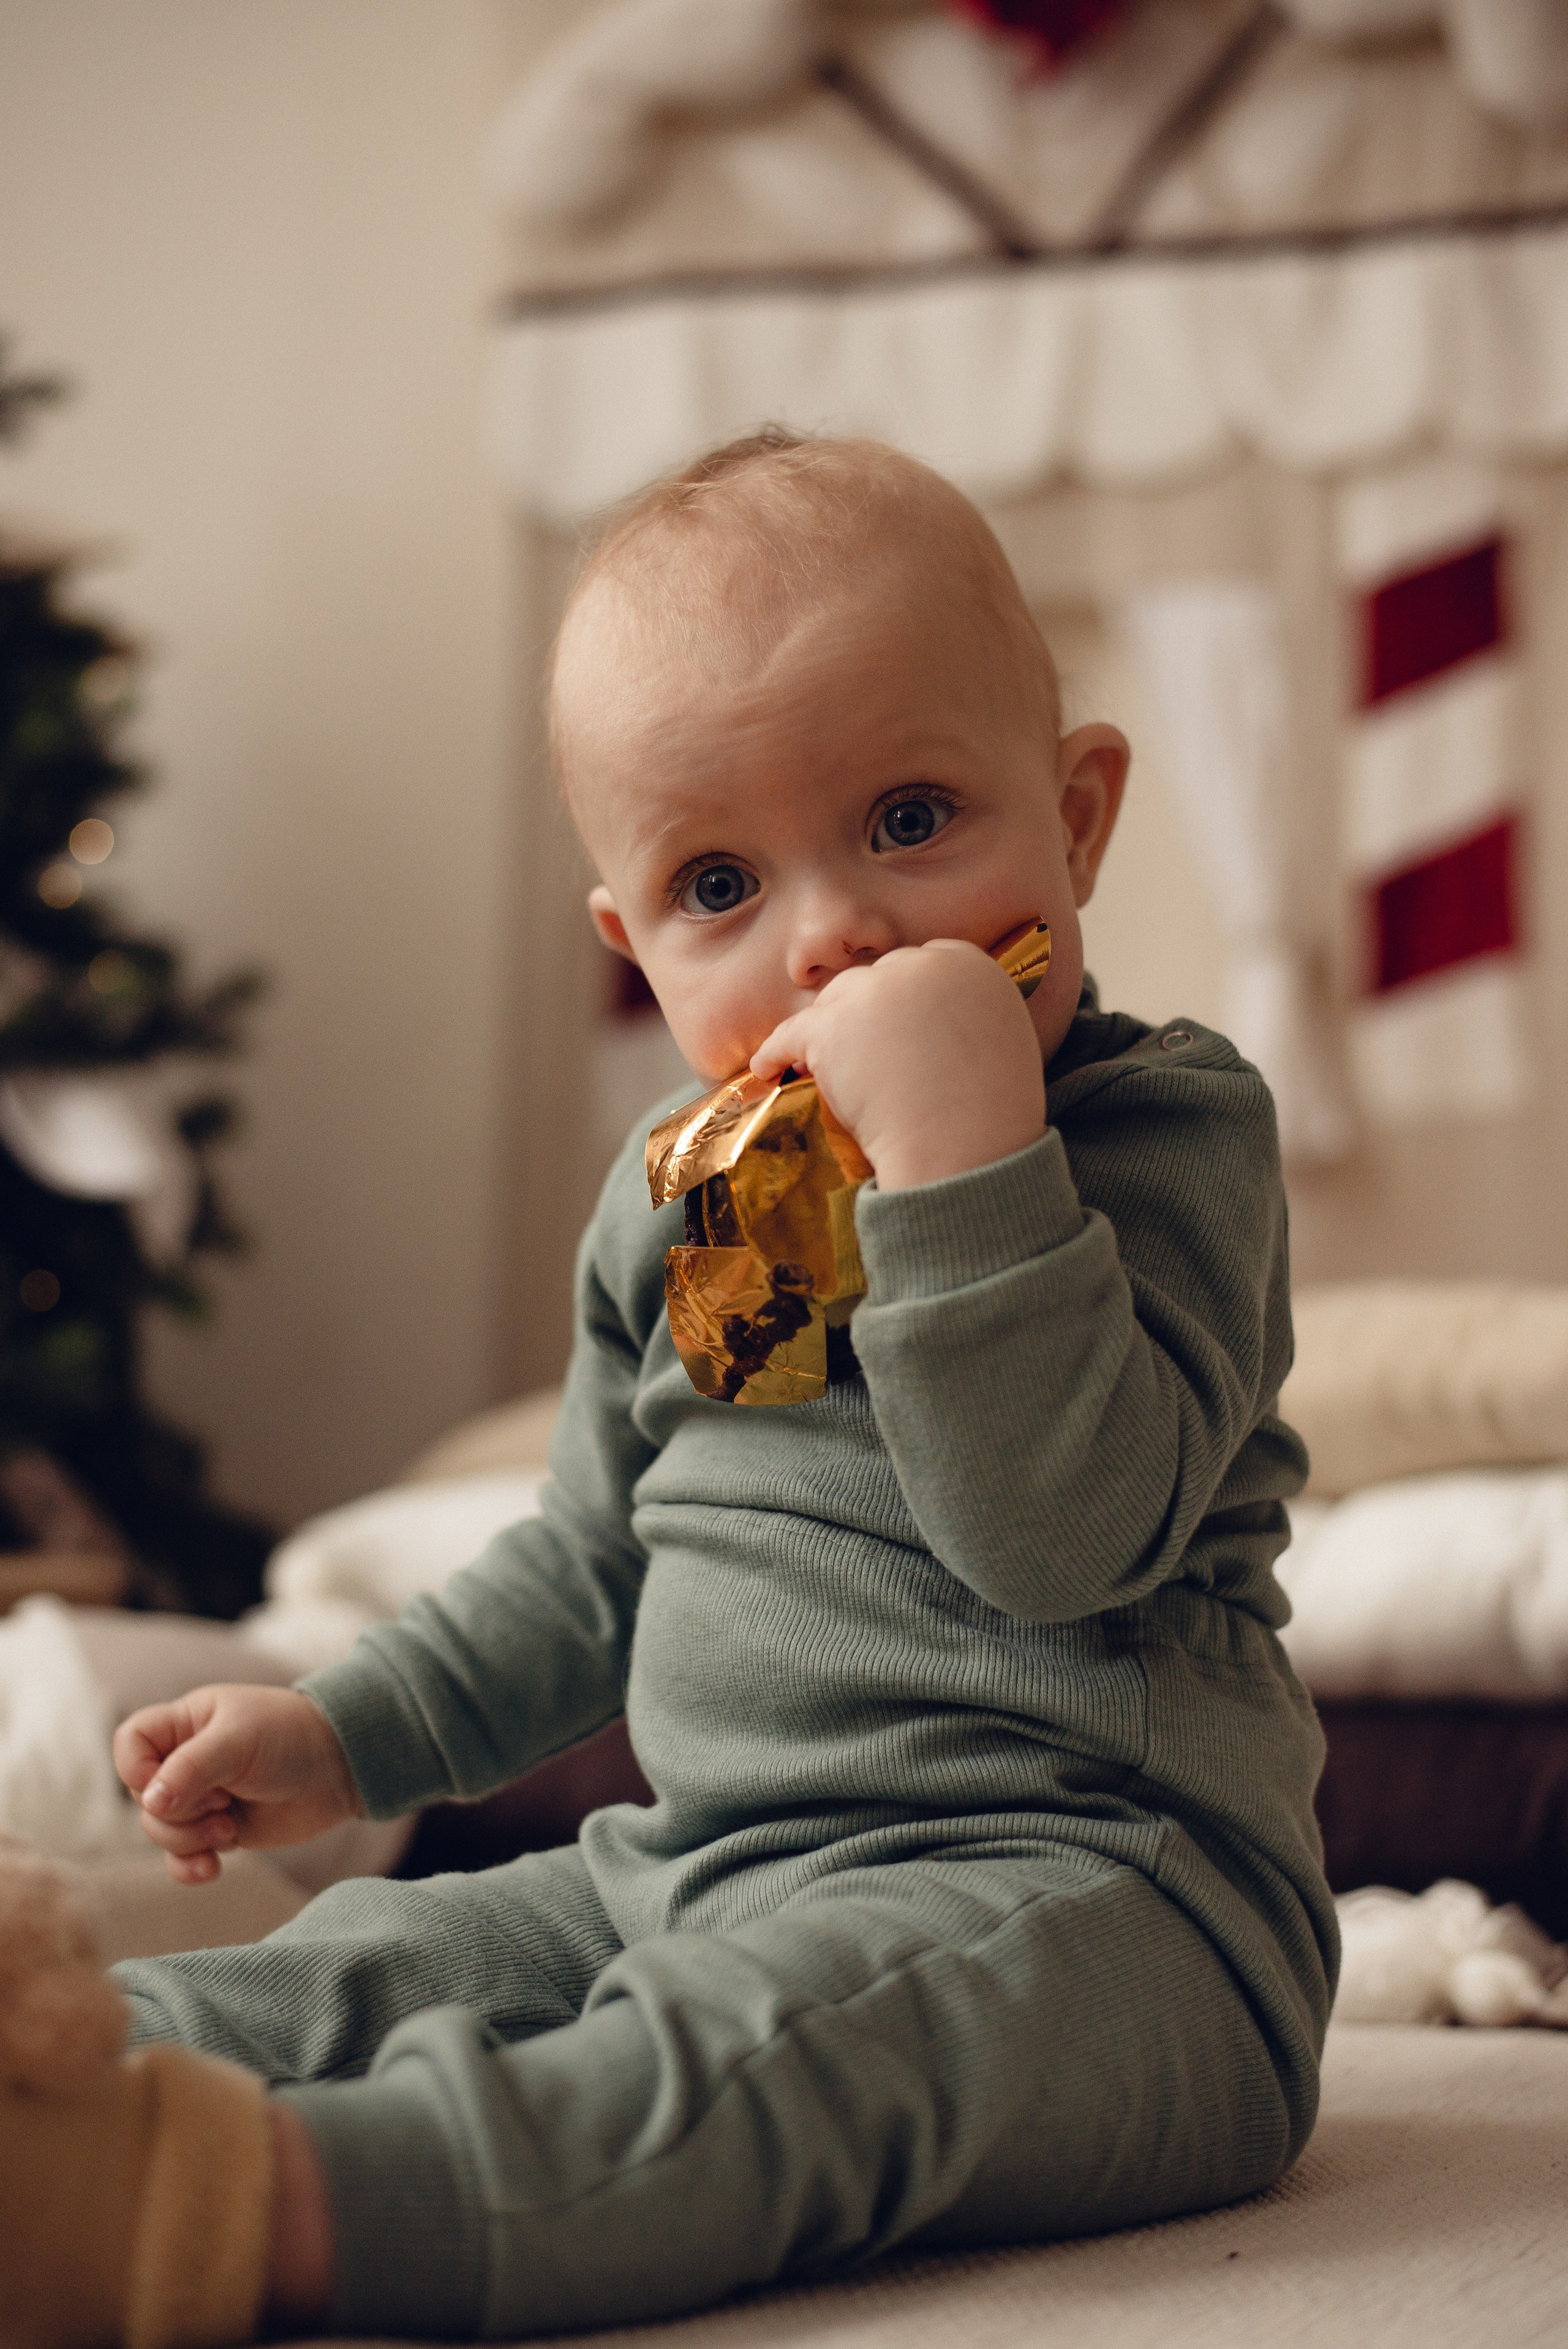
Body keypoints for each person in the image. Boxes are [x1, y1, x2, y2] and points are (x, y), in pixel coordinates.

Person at [0, 431, 1336, 2348]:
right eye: (722, 880)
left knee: (754, 2065)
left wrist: (965, 1153)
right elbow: (587, 1561)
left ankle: (202, 2210)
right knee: (362, 1957)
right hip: (702, 1865)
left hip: (1104, 1905)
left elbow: (1057, 1539)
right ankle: (58, 2105)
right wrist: (347, 1733)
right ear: (635, 943)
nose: (832, 936)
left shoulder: (1167, 1131)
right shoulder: (691, 1198)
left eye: (908, 820)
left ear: (1080, 819)